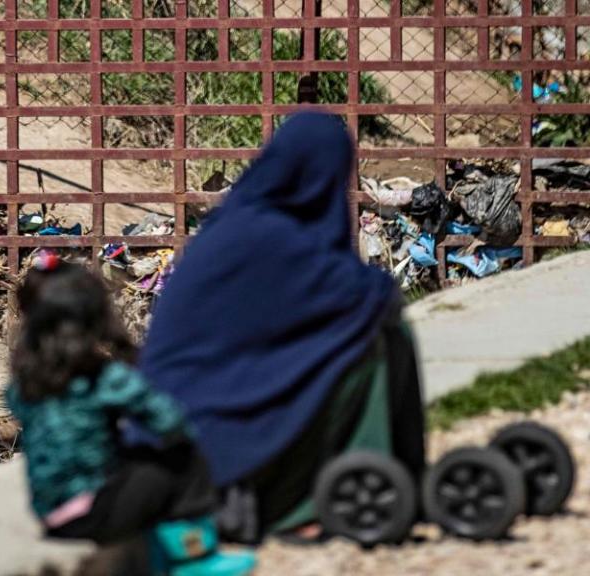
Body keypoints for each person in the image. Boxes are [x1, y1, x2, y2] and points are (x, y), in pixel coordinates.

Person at [139, 112, 426, 543]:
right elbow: (368, 297)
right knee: (375, 338)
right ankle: (320, 495)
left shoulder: (238, 223)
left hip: (178, 434)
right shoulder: (273, 236)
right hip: (207, 447)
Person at [6, 252, 255, 575]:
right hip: (95, 514)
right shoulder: (102, 377)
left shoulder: (25, 381)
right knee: (182, 458)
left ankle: (158, 552)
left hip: (50, 514)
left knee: (129, 462)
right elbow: (169, 421)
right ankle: (195, 556)